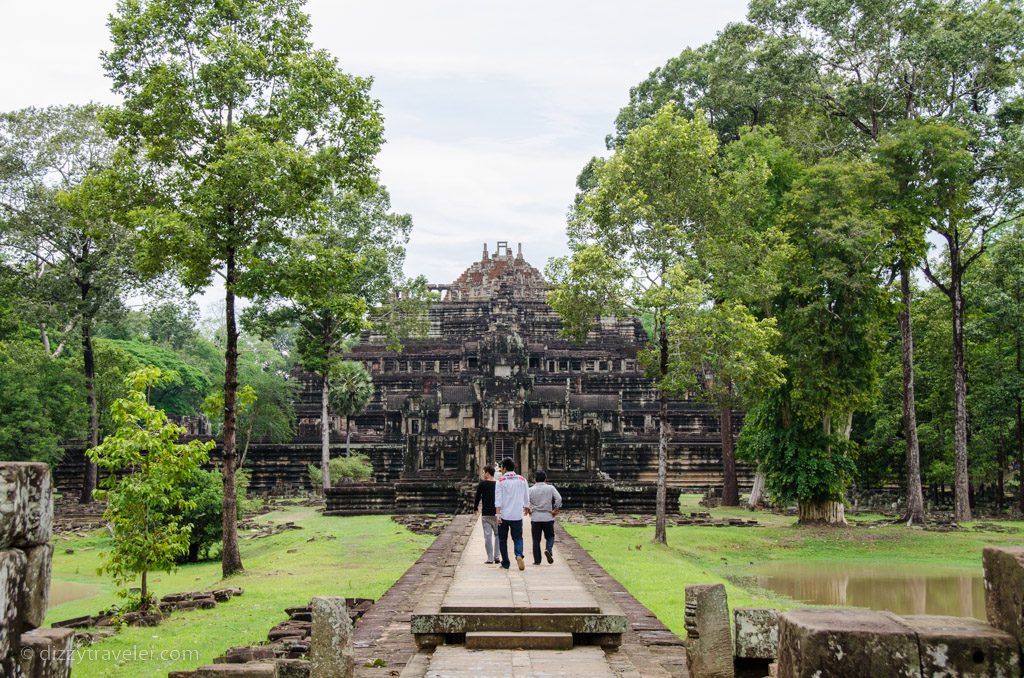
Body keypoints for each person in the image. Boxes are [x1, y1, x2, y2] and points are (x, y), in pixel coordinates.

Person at [494, 457, 530, 571]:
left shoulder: (501, 481)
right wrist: (526, 507)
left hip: (504, 515)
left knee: (503, 539)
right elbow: (526, 495)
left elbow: (498, 499)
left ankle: (505, 562)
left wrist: (498, 514)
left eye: (501, 468)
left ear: (504, 468)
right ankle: (519, 554)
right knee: (518, 538)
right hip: (517, 515)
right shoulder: (522, 479)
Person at [528, 470, 562, 565]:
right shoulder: (550, 488)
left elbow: (526, 501)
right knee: (550, 536)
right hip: (548, 516)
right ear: (545, 479)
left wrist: (529, 509)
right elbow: (559, 498)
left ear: (535, 479)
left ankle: (537, 560)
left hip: (536, 517)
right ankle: (548, 549)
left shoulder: (530, 490)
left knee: (536, 540)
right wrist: (556, 509)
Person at [474, 465, 500, 564]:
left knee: (487, 536)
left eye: (484, 472)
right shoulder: (499, 484)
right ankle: (497, 556)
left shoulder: (482, 484)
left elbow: (477, 497)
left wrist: (475, 508)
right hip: (497, 513)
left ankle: (490, 558)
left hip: (486, 514)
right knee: (498, 535)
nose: (483, 474)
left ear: (488, 473)